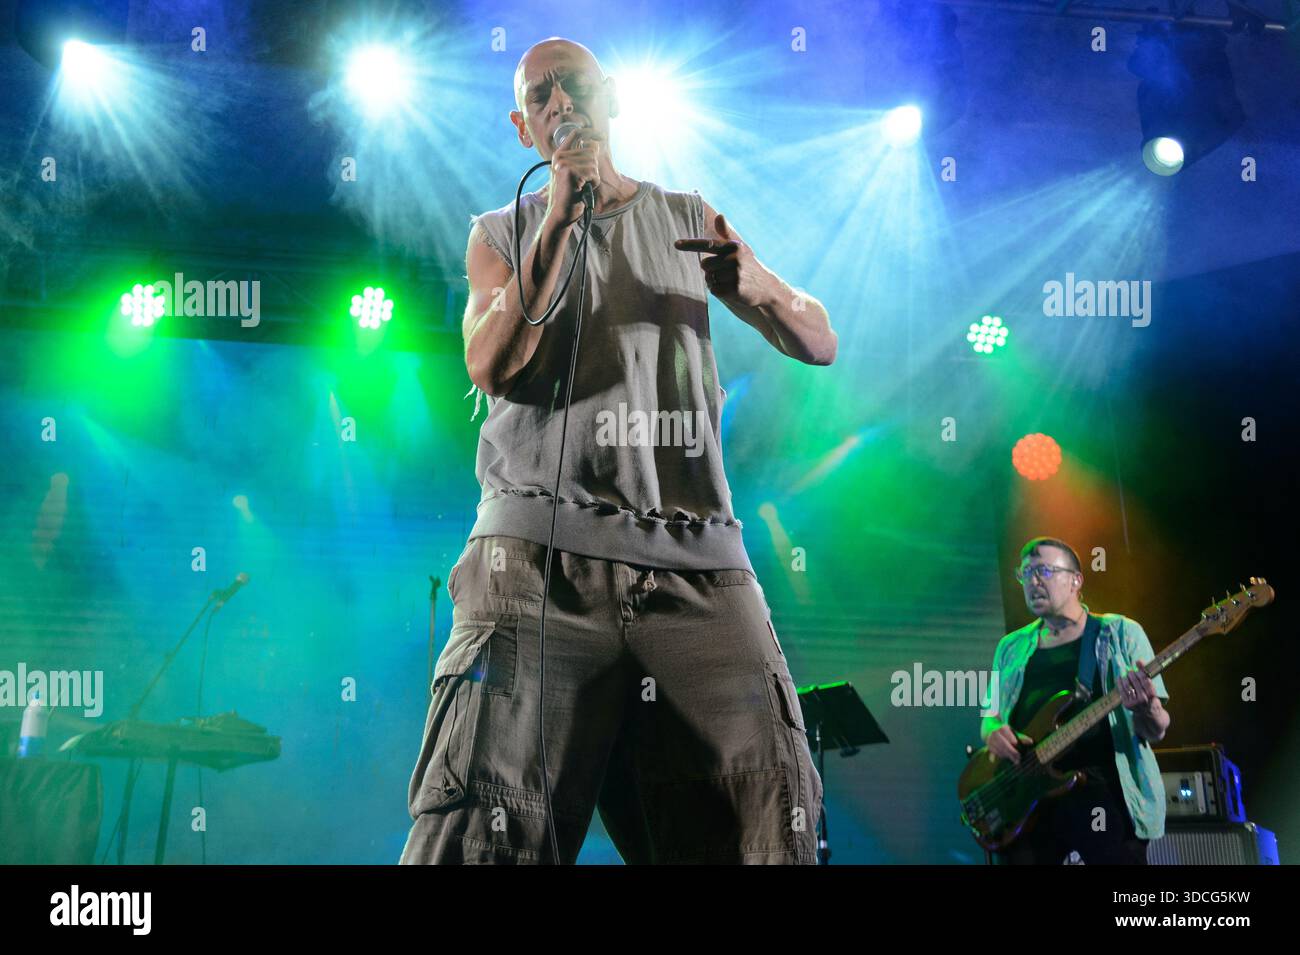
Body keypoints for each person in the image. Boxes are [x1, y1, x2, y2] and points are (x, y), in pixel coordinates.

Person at [399, 37, 836, 864]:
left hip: (697, 564)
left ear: (612, 99)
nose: (559, 102)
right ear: (524, 129)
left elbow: (819, 339)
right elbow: (491, 363)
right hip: (533, 561)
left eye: (575, 86)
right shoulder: (501, 233)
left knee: (772, 808)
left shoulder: (686, 216)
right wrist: (561, 217)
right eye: (540, 96)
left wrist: (759, 288)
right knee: (483, 825)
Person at [980, 537, 1171, 865]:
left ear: (1076, 580)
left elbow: (1156, 730)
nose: (1033, 581)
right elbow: (990, 716)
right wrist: (993, 731)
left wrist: (1146, 706)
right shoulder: (1010, 647)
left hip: (1102, 787)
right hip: (1030, 795)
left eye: (1044, 571)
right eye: (1025, 574)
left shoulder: (1120, 633)